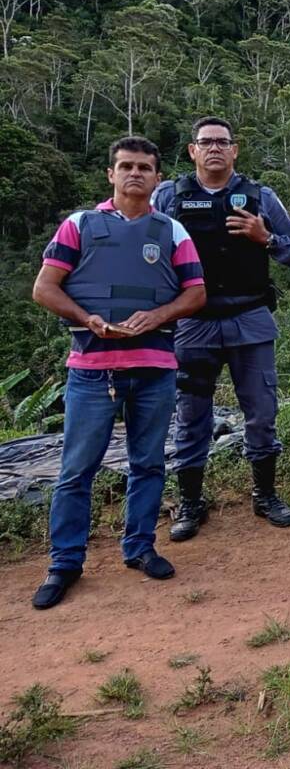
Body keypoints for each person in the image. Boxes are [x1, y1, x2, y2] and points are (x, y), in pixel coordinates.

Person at [30, 137, 206, 609]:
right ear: (110, 174)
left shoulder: (171, 231)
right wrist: (88, 319)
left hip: (154, 369)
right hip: (91, 371)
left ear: (157, 177)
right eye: (126, 166)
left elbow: (195, 293)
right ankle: (64, 563)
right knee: (75, 472)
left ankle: (140, 547)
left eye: (145, 167)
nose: (135, 174)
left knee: (148, 464)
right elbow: (45, 288)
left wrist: (159, 315)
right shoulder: (79, 225)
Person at [154, 117, 290, 541]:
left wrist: (266, 238)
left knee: (261, 413)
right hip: (192, 323)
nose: (215, 149)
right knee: (191, 416)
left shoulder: (261, 197)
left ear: (235, 150)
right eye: (206, 142)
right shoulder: (169, 196)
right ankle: (190, 502)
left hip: (249, 319)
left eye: (223, 142)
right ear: (192, 151)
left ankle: (265, 494)